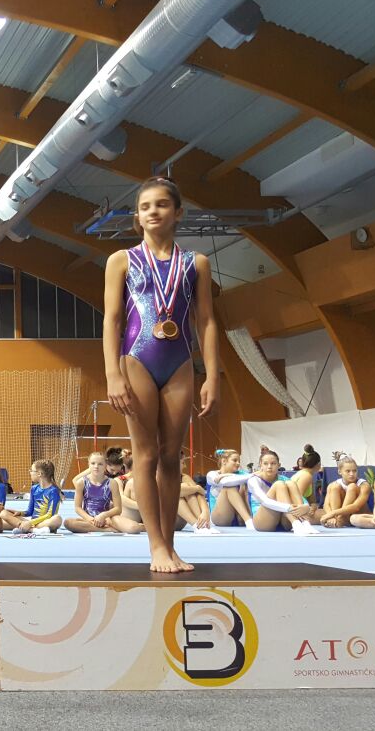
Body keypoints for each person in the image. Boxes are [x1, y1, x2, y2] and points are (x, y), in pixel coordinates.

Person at [103, 177, 219, 572]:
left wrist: (213, 376)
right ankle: (155, 546)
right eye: (145, 206)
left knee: (172, 456)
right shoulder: (122, 260)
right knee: (146, 454)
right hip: (137, 359)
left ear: (178, 212)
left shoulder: (195, 263)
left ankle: (170, 545)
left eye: (162, 204)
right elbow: (112, 319)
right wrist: (112, 373)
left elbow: (206, 321)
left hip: (180, 363)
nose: (153, 211)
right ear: (137, 216)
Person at [218, 448, 314, 533]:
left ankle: (305, 523)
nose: (269, 467)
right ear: (260, 465)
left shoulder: (285, 479)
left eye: (273, 463)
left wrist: (306, 507)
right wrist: (290, 508)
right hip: (263, 521)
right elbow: (265, 501)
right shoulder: (254, 480)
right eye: (265, 463)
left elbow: (301, 499)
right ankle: (296, 524)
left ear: (279, 465)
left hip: (284, 521)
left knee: (291, 484)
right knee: (279, 485)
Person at [64, 452, 133, 534]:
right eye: (93, 463)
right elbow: (77, 508)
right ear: (89, 464)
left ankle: (142, 526)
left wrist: (104, 515)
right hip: (89, 519)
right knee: (68, 522)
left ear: (105, 465)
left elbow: (118, 509)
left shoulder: (112, 483)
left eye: (100, 464)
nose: (96, 466)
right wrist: (90, 519)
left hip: (107, 519)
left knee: (133, 528)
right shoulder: (81, 483)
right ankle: (107, 530)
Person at [2, 459, 63, 533]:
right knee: (4, 513)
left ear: (39, 474)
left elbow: (49, 515)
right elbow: (29, 512)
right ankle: (33, 530)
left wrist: (30, 523)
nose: (30, 472)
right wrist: (20, 513)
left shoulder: (53, 491)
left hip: (44, 522)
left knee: (57, 519)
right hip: (33, 523)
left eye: (31, 470)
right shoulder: (34, 489)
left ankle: (24, 528)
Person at [316, 453, 371, 528]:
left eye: (354, 471)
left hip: (357, 514)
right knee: (335, 487)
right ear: (339, 471)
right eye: (348, 471)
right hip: (336, 514)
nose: (352, 474)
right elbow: (326, 505)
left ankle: (340, 519)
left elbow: (356, 506)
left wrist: (333, 513)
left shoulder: (364, 485)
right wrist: (331, 517)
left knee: (352, 487)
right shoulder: (332, 485)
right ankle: (336, 520)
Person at [205, 449, 254, 529]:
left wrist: (226, 475)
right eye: (234, 460)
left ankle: (248, 519)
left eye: (239, 461)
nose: (238, 463)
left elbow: (253, 476)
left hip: (238, 517)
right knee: (229, 487)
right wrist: (227, 475)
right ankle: (248, 520)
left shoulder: (241, 473)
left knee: (245, 485)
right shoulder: (212, 474)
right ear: (224, 461)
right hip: (220, 517)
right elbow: (225, 482)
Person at [176, 450, 216, 533]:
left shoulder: (184, 477)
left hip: (179, 521)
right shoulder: (159, 477)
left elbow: (199, 494)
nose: (185, 466)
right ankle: (196, 525)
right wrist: (197, 488)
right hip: (164, 522)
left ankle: (202, 525)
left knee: (188, 488)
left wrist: (205, 511)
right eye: (183, 463)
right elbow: (173, 493)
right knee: (181, 490)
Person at [288, 444, 322, 517]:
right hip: (293, 511)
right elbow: (296, 499)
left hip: (297, 508)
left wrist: (313, 507)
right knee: (325, 514)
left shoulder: (308, 475)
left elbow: (312, 500)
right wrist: (308, 509)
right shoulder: (306, 476)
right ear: (318, 464)